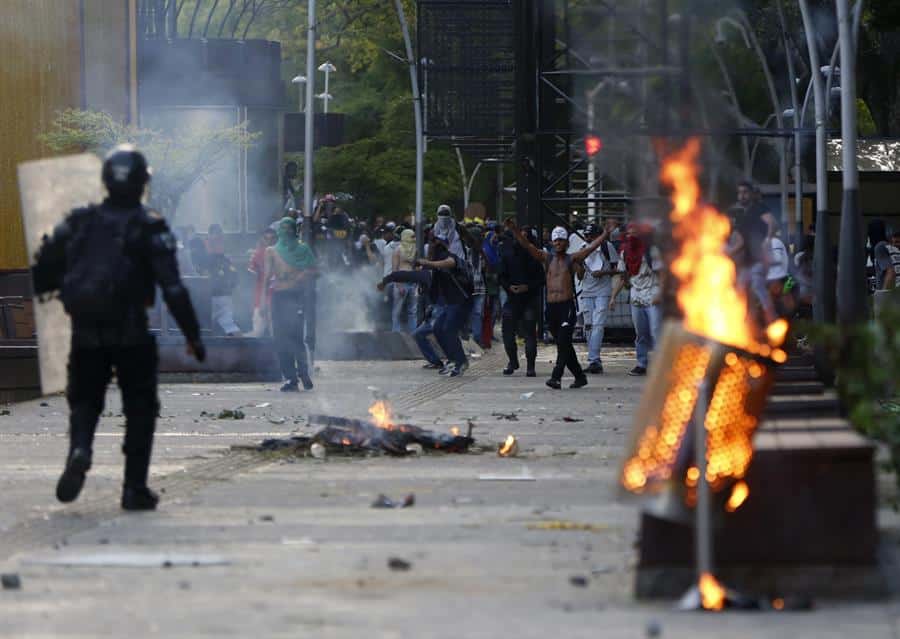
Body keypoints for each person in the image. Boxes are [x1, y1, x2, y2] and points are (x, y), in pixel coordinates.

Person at [30, 145, 205, 511]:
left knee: (84, 399)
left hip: (85, 328)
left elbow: (43, 269)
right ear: (143, 182)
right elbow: (172, 287)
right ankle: (133, 487)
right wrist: (193, 335)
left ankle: (80, 448)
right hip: (130, 329)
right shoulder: (150, 225)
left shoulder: (78, 221)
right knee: (140, 405)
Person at [506, 219, 608, 389]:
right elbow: (527, 246)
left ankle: (556, 377)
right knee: (564, 344)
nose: (558, 243)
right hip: (551, 309)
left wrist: (605, 234)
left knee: (563, 342)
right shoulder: (546, 258)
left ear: (567, 243)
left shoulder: (572, 258)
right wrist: (515, 229)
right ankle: (580, 377)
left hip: (566, 307)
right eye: (556, 240)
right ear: (552, 242)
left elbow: (590, 249)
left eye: (561, 240)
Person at [260, 217, 316, 392]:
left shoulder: (303, 249)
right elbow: (267, 276)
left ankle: (303, 373)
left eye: (289, 228)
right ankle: (291, 379)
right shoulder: (271, 251)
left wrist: (302, 276)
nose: (286, 232)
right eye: (283, 229)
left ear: (295, 230)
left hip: (297, 297)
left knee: (297, 337)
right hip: (278, 297)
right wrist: (263, 302)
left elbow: (313, 269)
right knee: (280, 339)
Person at [611, 223, 663, 377]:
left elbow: (662, 274)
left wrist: (660, 294)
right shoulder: (625, 253)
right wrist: (613, 297)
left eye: (635, 234)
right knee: (640, 333)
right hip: (636, 296)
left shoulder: (652, 251)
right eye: (629, 234)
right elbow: (623, 277)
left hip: (652, 294)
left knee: (655, 331)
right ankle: (642, 364)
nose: (631, 237)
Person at [497, 225, 544, 377]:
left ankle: (529, 366)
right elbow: (501, 275)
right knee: (508, 333)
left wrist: (526, 287)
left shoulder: (535, 255)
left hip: (529, 298)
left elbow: (541, 279)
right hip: (514, 298)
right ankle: (514, 361)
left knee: (529, 333)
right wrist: (510, 287)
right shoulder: (508, 253)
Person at [578, 223, 619, 374]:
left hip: (602, 290)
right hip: (587, 290)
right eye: (586, 235)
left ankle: (593, 359)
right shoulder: (583, 247)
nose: (588, 238)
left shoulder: (607, 247)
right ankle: (595, 360)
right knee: (588, 325)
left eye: (591, 235)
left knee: (598, 325)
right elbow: (579, 274)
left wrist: (603, 273)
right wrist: (580, 265)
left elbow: (616, 269)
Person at [205, 224, 241, 336]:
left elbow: (234, 277)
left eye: (219, 235)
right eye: (215, 235)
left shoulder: (223, 257)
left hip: (218, 296)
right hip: (217, 296)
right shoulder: (223, 257)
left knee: (222, 325)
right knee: (227, 325)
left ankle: (242, 348)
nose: (217, 239)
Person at [248, 228, 277, 337]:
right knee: (257, 333)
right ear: (262, 239)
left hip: (276, 299)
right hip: (260, 298)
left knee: (275, 333)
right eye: (266, 238)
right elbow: (251, 275)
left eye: (272, 238)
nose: (269, 241)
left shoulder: (280, 253)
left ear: (276, 239)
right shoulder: (257, 254)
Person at [391, 228, 419, 333]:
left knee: (412, 311)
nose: (414, 238)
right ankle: (396, 334)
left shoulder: (414, 250)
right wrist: (399, 286)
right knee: (397, 311)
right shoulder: (397, 250)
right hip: (401, 282)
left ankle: (413, 333)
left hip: (413, 283)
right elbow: (395, 270)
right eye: (412, 236)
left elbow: (415, 267)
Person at [870, 220, 900, 290]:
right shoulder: (892, 248)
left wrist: (883, 294)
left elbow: (890, 271)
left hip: (889, 293)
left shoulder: (880, 246)